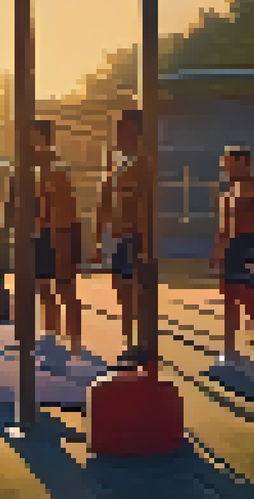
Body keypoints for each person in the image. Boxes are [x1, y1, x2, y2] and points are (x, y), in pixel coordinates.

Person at [214, 145, 254, 369]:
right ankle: (229, 351)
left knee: (250, 301)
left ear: (244, 164)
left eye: (229, 163)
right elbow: (222, 228)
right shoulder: (226, 194)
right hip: (230, 250)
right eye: (224, 163)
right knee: (229, 299)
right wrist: (218, 253)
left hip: (249, 248)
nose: (225, 168)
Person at [30, 119, 82, 354]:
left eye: (32, 137)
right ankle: (52, 334)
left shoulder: (57, 168)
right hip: (42, 234)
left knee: (65, 287)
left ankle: (74, 341)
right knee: (44, 286)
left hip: (59, 234)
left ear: (41, 139)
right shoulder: (34, 168)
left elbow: (65, 207)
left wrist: (61, 237)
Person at [96, 110, 147, 347]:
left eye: (123, 129)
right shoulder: (116, 163)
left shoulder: (142, 164)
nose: (118, 134)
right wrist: (99, 238)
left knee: (132, 290)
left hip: (132, 235)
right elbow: (105, 200)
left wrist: (144, 242)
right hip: (116, 236)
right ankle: (129, 341)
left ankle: (137, 342)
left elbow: (143, 204)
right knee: (121, 288)